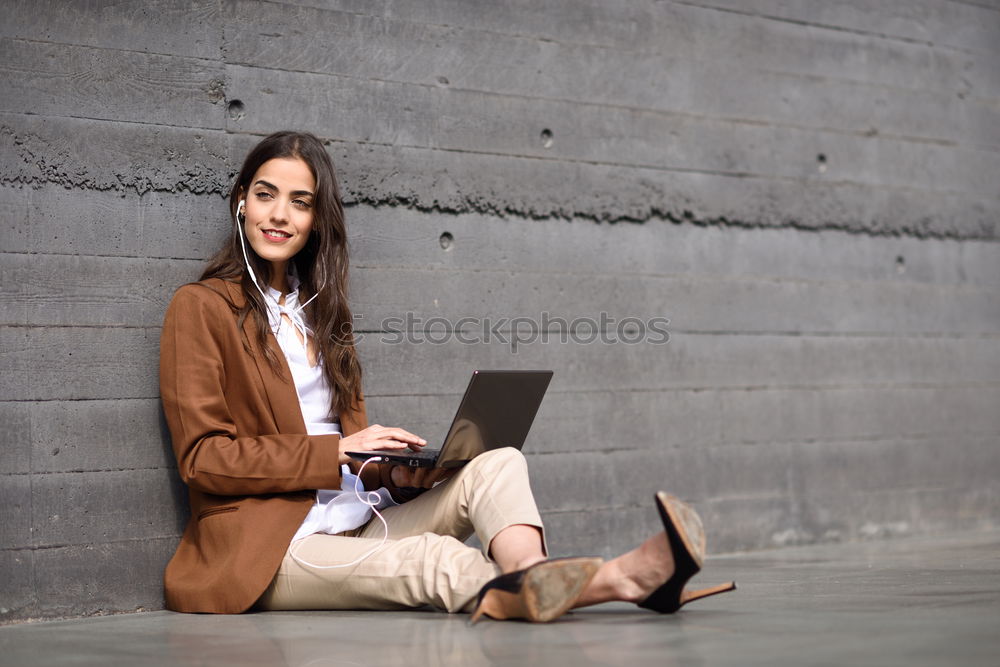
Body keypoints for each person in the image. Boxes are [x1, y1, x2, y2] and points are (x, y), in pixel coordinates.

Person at [159, 130, 735, 620]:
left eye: (300, 202)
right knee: (434, 561)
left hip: (356, 517)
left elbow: (349, 461)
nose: (280, 214)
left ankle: (532, 578)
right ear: (241, 201)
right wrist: (336, 449)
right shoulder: (202, 307)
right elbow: (204, 458)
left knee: (497, 464)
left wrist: (400, 472)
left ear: (316, 219)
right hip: (272, 548)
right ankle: (624, 581)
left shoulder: (325, 313)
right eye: (266, 195)